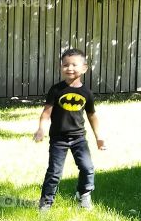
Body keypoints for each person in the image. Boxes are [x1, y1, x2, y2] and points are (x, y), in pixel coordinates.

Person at [33, 48, 106, 211]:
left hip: (79, 138)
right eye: (65, 65)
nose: (69, 68)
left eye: (74, 65)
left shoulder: (86, 92)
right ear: (61, 67)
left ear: (84, 68)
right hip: (58, 139)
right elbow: (46, 113)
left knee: (87, 168)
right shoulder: (56, 90)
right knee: (54, 172)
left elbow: (92, 115)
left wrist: (99, 137)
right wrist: (41, 130)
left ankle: (84, 194)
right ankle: (46, 203)